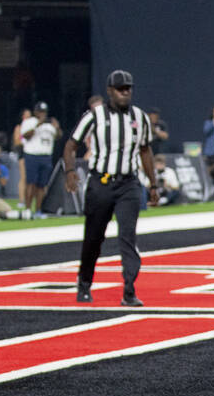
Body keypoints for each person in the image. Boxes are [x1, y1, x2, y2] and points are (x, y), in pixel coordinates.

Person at [63, 70, 160, 306]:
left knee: (128, 236)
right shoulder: (94, 116)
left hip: (129, 183)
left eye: (128, 88)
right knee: (94, 237)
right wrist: (70, 170)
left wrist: (153, 184)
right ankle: (84, 282)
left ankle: (129, 290)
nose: (125, 92)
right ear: (109, 91)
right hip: (101, 183)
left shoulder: (140, 117)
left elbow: (146, 151)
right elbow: (71, 144)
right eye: (120, 89)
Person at [19, 101, 59, 217]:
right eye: (40, 111)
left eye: (44, 112)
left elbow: (58, 136)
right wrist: (38, 125)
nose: (42, 114)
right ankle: (27, 208)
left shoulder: (49, 123)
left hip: (46, 155)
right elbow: (25, 136)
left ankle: (38, 210)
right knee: (31, 182)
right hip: (32, 155)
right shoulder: (29, 122)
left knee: (42, 185)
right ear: (35, 111)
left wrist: (57, 128)